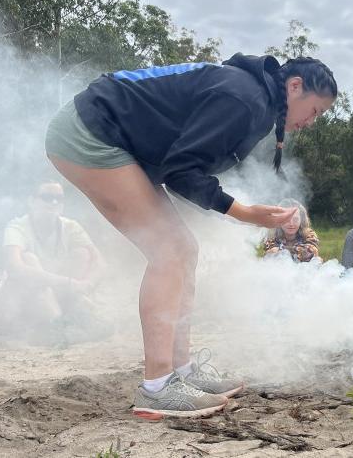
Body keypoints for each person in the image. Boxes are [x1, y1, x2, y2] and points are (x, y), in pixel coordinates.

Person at [44, 54, 337, 418]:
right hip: (90, 131)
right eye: (316, 110)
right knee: (168, 251)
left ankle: (180, 372)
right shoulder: (245, 98)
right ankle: (156, 388)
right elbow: (181, 170)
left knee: (183, 249)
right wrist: (244, 213)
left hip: (114, 137)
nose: (312, 121)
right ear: (295, 87)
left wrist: (234, 209)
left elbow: (187, 159)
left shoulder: (251, 94)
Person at [0, 180, 104, 337]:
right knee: (29, 259)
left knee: (82, 253)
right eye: (46, 197)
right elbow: (15, 267)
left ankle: (71, 315)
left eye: (58, 198)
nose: (53, 202)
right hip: (22, 302)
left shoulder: (70, 227)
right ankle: (58, 324)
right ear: (31, 201)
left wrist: (86, 286)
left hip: (57, 294)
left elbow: (100, 262)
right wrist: (67, 283)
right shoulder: (17, 227)